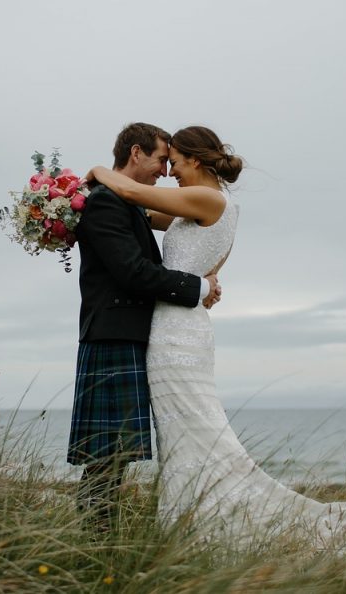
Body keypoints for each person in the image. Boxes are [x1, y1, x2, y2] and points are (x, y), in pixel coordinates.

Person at [85, 126, 346, 553]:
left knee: (196, 432)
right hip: (180, 327)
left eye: (176, 163)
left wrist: (94, 171)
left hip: (176, 335)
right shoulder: (200, 208)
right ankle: (192, 522)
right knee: (188, 433)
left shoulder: (208, 199)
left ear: (196, 161)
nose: (171, 173)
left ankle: (208, 526)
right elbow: (142, 217)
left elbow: (131, 196)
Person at [68, 122, 221, 533]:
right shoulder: (104, 204)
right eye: (159, 160)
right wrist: (199, 286)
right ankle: (95, 539)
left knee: (115, 456)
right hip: (113, 336)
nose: (164, 171)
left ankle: (99, 536)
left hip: (130, 334)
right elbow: (134, 273)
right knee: (107, 456)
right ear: (136, 153)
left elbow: (177, 226)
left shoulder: (125, 202)